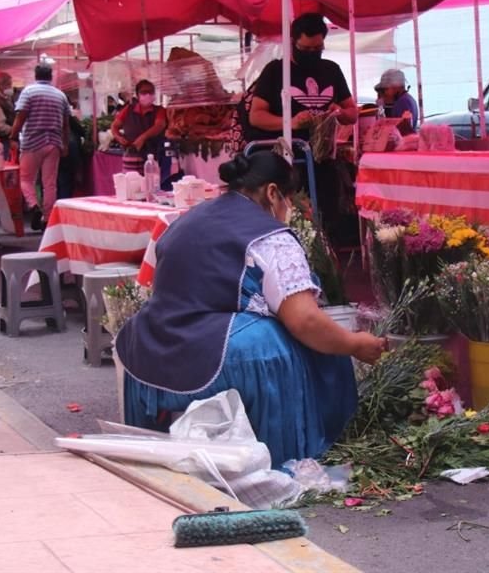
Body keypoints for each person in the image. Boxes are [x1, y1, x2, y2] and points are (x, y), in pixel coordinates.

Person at [115, 149, 386, 467]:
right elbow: (306, 321)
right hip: (215, 361)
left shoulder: (186, 220)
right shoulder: (271, 237)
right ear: (273, 193)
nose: (286, 210)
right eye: (287, 199)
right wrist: (354, 344)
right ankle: (284, 453)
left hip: (147, 353)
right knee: (285, 339)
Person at [247, 13, 358, 143]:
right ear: (293, 42)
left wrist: (340, 112)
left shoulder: (332, 69)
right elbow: (256, 116)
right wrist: (290, 123)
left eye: (317, 48)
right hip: (284, 152)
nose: (311, 53)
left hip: (322, 152)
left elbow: (352, 113)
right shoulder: (275, 70)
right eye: (305, 48)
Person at [10, 64, 70, 231]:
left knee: (25, 179)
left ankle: (33, 205)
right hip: (54, 142)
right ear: (51, 76)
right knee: (49, 183)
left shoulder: (29, 92)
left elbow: (20, 117)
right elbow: (66, 124)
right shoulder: (61, 95)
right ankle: (48, 218)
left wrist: (13, 136)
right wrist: (65, 144)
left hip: (32, 142)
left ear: (36, 75)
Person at [110, 79, 170, 187]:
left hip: (154, 154)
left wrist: (142, 138)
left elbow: (159, 125)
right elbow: (114, 126)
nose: (147, 95)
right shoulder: (128, 109)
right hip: (131, 155)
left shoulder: (159, 110)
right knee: (132, 186)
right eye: (144, 92)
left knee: (152, 185)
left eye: (150, 92)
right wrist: (118, 137)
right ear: (137, 95)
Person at [0, 72, 17, 161]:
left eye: (10, 84)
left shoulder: (10, 98)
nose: (10, 87)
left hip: (10, 139)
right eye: (8, 84)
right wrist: (16, 129)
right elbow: (0, 127)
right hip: (3, 142)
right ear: (1, 86)